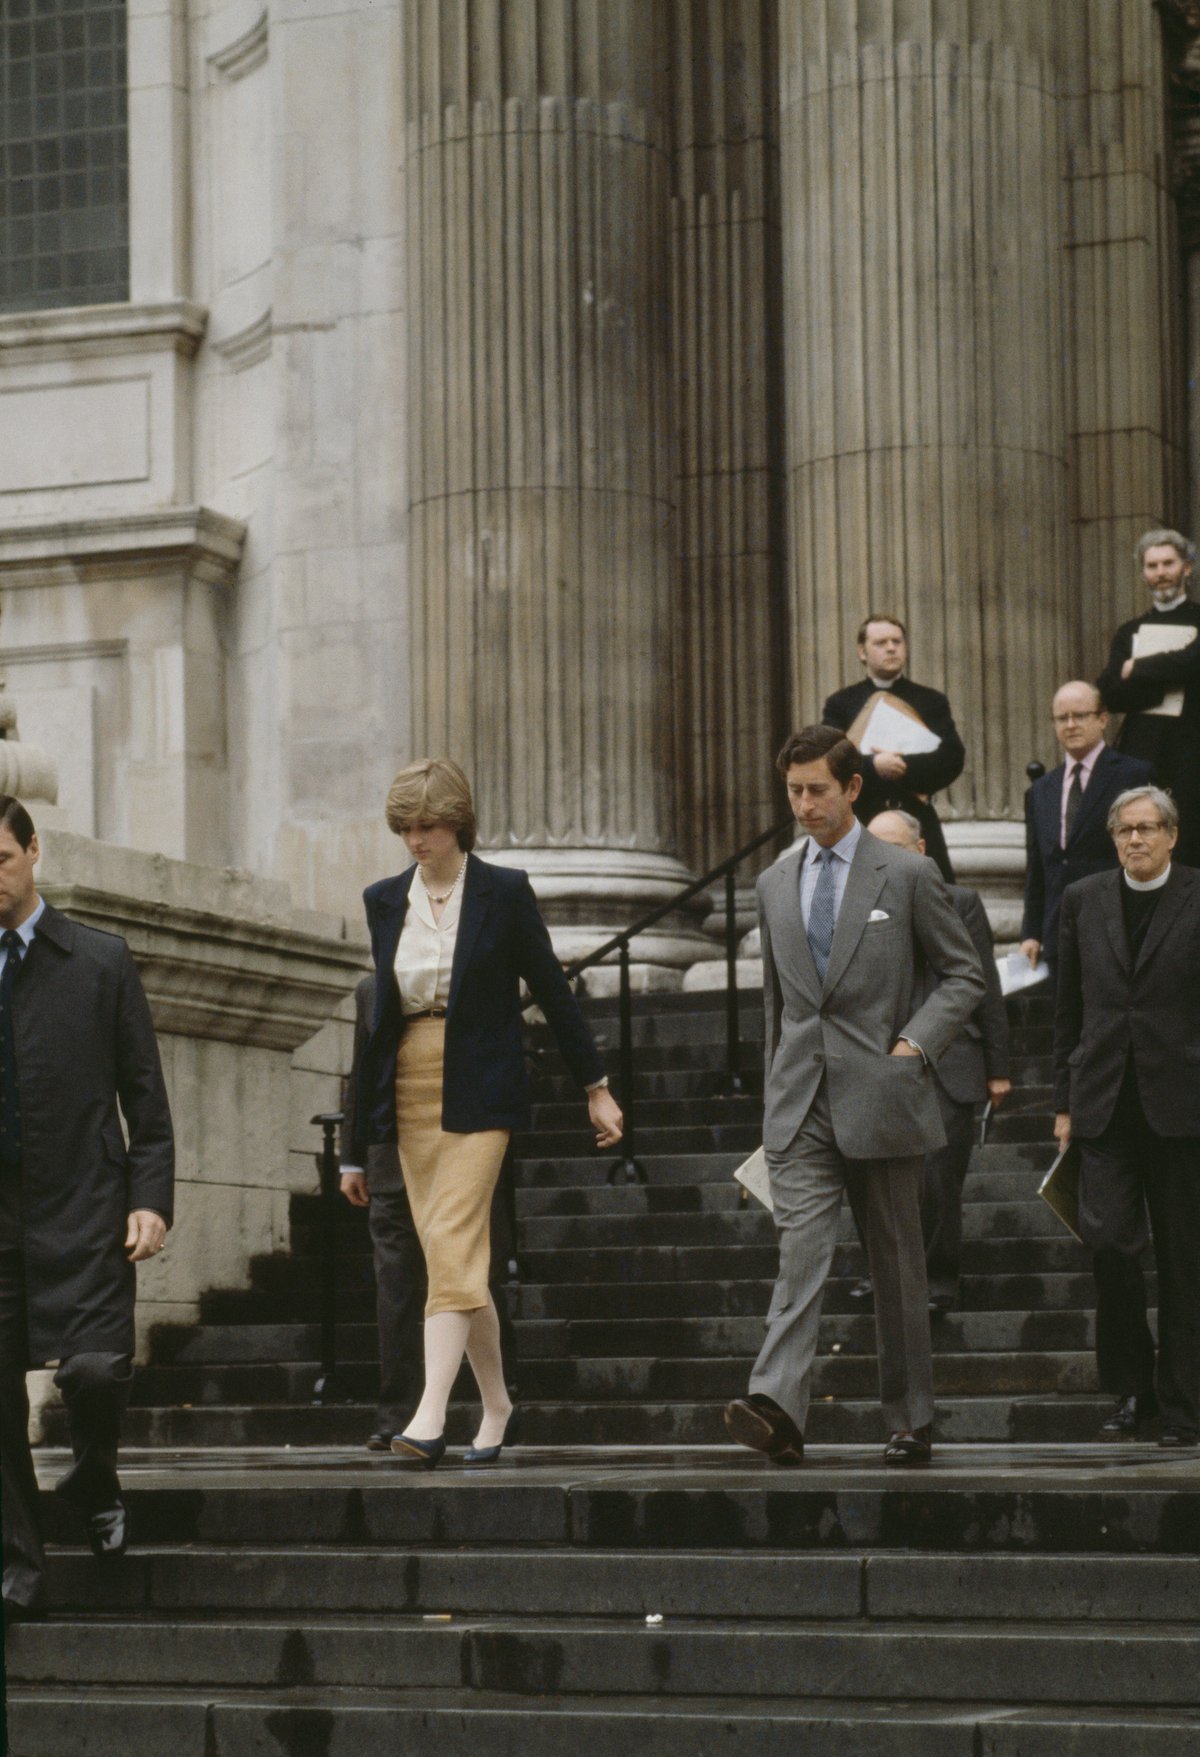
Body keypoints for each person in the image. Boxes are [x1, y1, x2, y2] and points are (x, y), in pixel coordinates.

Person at [723, 727, 984, 1469]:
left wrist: (915, 1042)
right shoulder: (774, 880)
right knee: (799, 1251)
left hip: (883, 1089)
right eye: (794, 791)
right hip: (799, 1098)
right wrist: (774, 1089)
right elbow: (779, 1003)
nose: (804, 805)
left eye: (818, 790)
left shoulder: (904, 874)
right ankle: (777, 1405)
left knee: (898, 1266)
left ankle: (909, 1418)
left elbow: (964, 975)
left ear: (854, 789)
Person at [352, 759, 623, 1468]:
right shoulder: (384, 899)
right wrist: (355, 1143)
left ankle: (430, 1412)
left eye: (430, 826)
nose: (417, 840)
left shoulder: (503, 891)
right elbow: (376, 1019)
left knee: (451, 1238)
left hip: (483, 1080)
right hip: (408, 1081)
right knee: (457, 1254)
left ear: (458, 823)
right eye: (407, 827)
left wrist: (595, 1082)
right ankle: (497, 1404)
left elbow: (553, 992)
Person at [0, 796, 173, 1624]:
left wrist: (150, 1201)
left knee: (97, 1371)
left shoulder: (100, 961)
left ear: (35, 852)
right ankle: (20, 1565)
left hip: (87, 1208)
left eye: (0, 858)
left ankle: (96, 1475)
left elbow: (146, 1094)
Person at [1054, 785, 1200, 1447]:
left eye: (1147, 828)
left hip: (1183, 1106)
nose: (1135, 840)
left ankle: (1183, 1404)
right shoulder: (1082, 899)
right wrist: (1063, 1100)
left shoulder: (1197, 894)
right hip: (1105, 1102)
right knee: (1110, 1244)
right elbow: (1068, 1008)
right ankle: (1132, 1386)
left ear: (1171, 835)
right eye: (1124, 831)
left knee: (1183, 1258)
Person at [339, 971, 517, 1451]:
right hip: (389, 1156)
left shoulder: (477, 972)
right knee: (396, 1285)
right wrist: (351, 1157)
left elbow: (519, 1058)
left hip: (463, 1146)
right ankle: (400, 1413)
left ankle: (434, 1413)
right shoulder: (372, 987)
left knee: (457, 1265)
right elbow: (361, 1071)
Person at [865, 810, 1011, 1314]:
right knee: (883, 1179)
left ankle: (939, 1280)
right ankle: (890, 1280)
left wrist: (999, 1066)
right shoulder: (859, 909)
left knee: (938, 1175)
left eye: (895, 847)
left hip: (953, 1060)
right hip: (884, 1062)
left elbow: (983, 985)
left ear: (921, 849)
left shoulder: (961, 902)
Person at [1020, 682, 1154, 981]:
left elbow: (1149, 853)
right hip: (1058, 934)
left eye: (1080, 715)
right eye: (1062, 718)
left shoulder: (1134, 775)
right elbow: (1038, 869)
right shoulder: (1041, 790)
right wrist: (1030, 932)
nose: (1070, 725)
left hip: (1119, 931)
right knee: (1065, 1025)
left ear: (1103, 719)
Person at [822, 613, 966, 881]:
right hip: (861, 818)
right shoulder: (840, 704)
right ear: (862, 651)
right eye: (881, 642)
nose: (891, 647)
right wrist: (874, 767)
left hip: (915, 816)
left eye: (897, 641)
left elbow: (952, 758)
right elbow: (830, 761)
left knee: (934, 896)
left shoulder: (931, 700)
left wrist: (904, 767)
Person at [1097, 529, 1200, 867]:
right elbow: (1110, 692)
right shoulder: (1129, 631)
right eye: (1151, 566)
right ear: (1143, 573)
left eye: (1168, 563)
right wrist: (1172, 677)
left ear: (1187, 567)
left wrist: (1136, 667)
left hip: (1192, 751)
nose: (1160, 573)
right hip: (1142, 752)